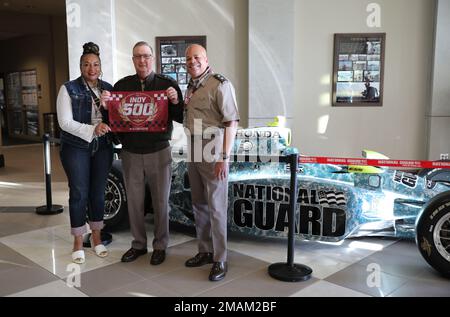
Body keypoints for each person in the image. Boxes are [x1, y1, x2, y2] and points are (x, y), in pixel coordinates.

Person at [102, 41, 183, 265]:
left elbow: (181, 116)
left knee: (160, 202)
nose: (142, 60)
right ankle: (138, 244)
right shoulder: (122, 85)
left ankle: (160, 246)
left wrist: (175, 101)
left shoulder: (167, 83)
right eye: (138, 56)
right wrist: (104, 106)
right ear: (133, 59)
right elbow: (113, 122)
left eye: (146, 56)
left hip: (159, 150)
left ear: (152, 58)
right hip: (130, 152)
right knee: (135, 203)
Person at [183, 44, 240, 281]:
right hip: (194, 144)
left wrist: (224, 157)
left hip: (212, 146)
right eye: (188, 59)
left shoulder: (220, 84)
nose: (192, 62)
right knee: (199, 203)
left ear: (206, 59)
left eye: (197, 57)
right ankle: (205, 251)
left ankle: (220, 259)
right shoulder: (191, 86)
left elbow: (232, 122)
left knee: (216, 206)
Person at [57, 42, 114, 264]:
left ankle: (97, 238)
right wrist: (92, 129)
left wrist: (110, 109)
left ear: (100, 66)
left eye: (96, 64)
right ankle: (78, 241)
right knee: (79, 193)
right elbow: (64, 123)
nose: (92, 69)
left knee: (98, 193)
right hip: (76, 147)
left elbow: (117, 119)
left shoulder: (108, 88)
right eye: (87, 64)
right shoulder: (68, 88)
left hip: (103, 147)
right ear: (80, 66)